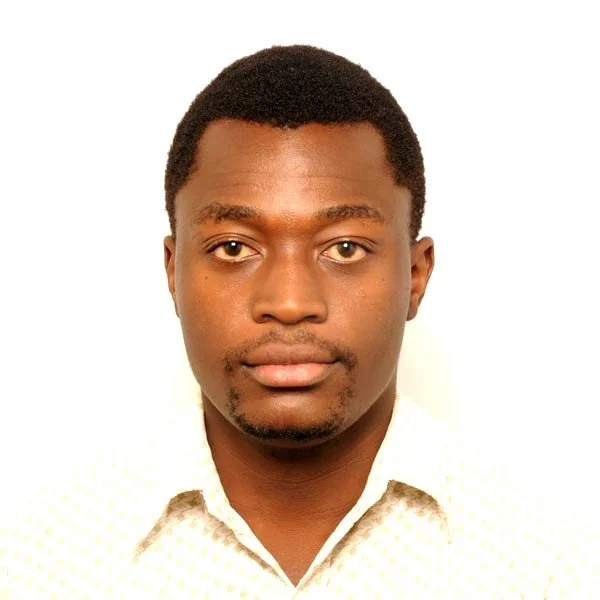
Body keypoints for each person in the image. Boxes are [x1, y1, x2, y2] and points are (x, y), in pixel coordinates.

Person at [1, 44, 598, 599]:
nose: (289, 302)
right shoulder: (34, 566)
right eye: (234, 247)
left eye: (345, 248)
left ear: (416, 276)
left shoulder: (552, 569)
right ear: (173, 272)